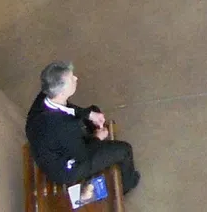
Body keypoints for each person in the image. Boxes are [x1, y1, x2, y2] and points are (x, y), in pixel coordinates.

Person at [25, 60, 140, 195]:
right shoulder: (66, 127)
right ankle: (127, 184)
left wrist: (89, 114)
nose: (76, 78)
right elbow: (83, 155)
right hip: (66, 170)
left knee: (93, 110)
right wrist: (97, 137)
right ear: (62, 92)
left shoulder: (44, 98)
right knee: (124, 150)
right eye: (71, 79)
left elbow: (66, 108)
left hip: (49, 149)